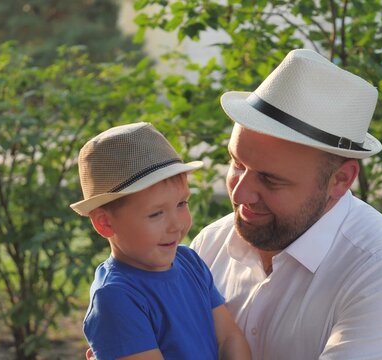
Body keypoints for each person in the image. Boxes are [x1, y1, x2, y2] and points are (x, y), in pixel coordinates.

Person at [190, 48, 382, 359]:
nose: (240, 195)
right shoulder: (211, 245)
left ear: (340, 180)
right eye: (237, 164)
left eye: (270, 180)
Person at [71, 122, 251, 360]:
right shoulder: (116, 299)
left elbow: (230, 337)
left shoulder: (189, 262)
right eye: (156, 214)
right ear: (105, 223)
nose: (177, 224)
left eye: (181, 204)